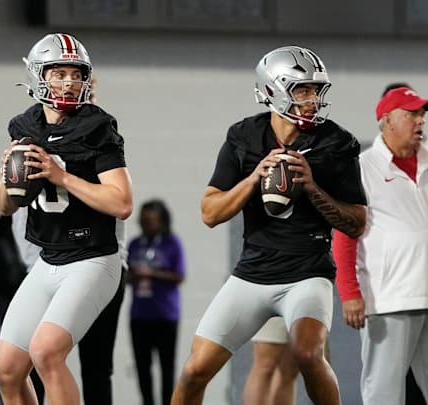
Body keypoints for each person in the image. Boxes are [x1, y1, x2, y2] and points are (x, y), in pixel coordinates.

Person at [170, 45, 366, 405]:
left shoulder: (336, 143)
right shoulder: (243, 137)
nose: (312, 100)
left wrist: (312, 186)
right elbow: (210, 213)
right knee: (194, 370)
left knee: (308, 354)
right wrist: (252, 179)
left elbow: (357, 223)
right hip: (253, 272)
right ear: (274, 90)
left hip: (308, 272)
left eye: (316, 91)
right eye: (302, 90)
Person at [0, 33, 132, 405]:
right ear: (39, 76)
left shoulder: (98, 126)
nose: (69, 82)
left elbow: (122, 203)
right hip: (48, 259)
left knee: (47, 353)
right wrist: (9, 177)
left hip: (93, 260)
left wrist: (61, 176)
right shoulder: (24, 125)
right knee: (6, 370)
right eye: (59, 73)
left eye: (75, 73)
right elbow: (4, 207)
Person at [333, 86, 428, 404]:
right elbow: (344, 236)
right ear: (386, 120)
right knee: (384, 393)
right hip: (389, 299)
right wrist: (349, 293)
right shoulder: (361, 168)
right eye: (411, 114)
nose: (420, 121)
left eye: (422, 114)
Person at [11, 206, 128, 405]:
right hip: (42, 270)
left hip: (97, 265)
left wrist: (64, 179)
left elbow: (122, 204)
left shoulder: (96, 176)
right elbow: (11, 211)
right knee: (18, 366)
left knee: (92, 365)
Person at [127, 199, 186, 405]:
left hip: (165, 315)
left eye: (150, 220)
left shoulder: (172, 243)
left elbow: (179, 276)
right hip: (140, 315)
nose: (145, 225)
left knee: (166, 367)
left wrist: (152, 273)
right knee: (143, 368)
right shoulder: (134, 244)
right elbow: (125, 276)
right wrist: (134, 275)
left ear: (161, 221)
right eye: (142, 221)